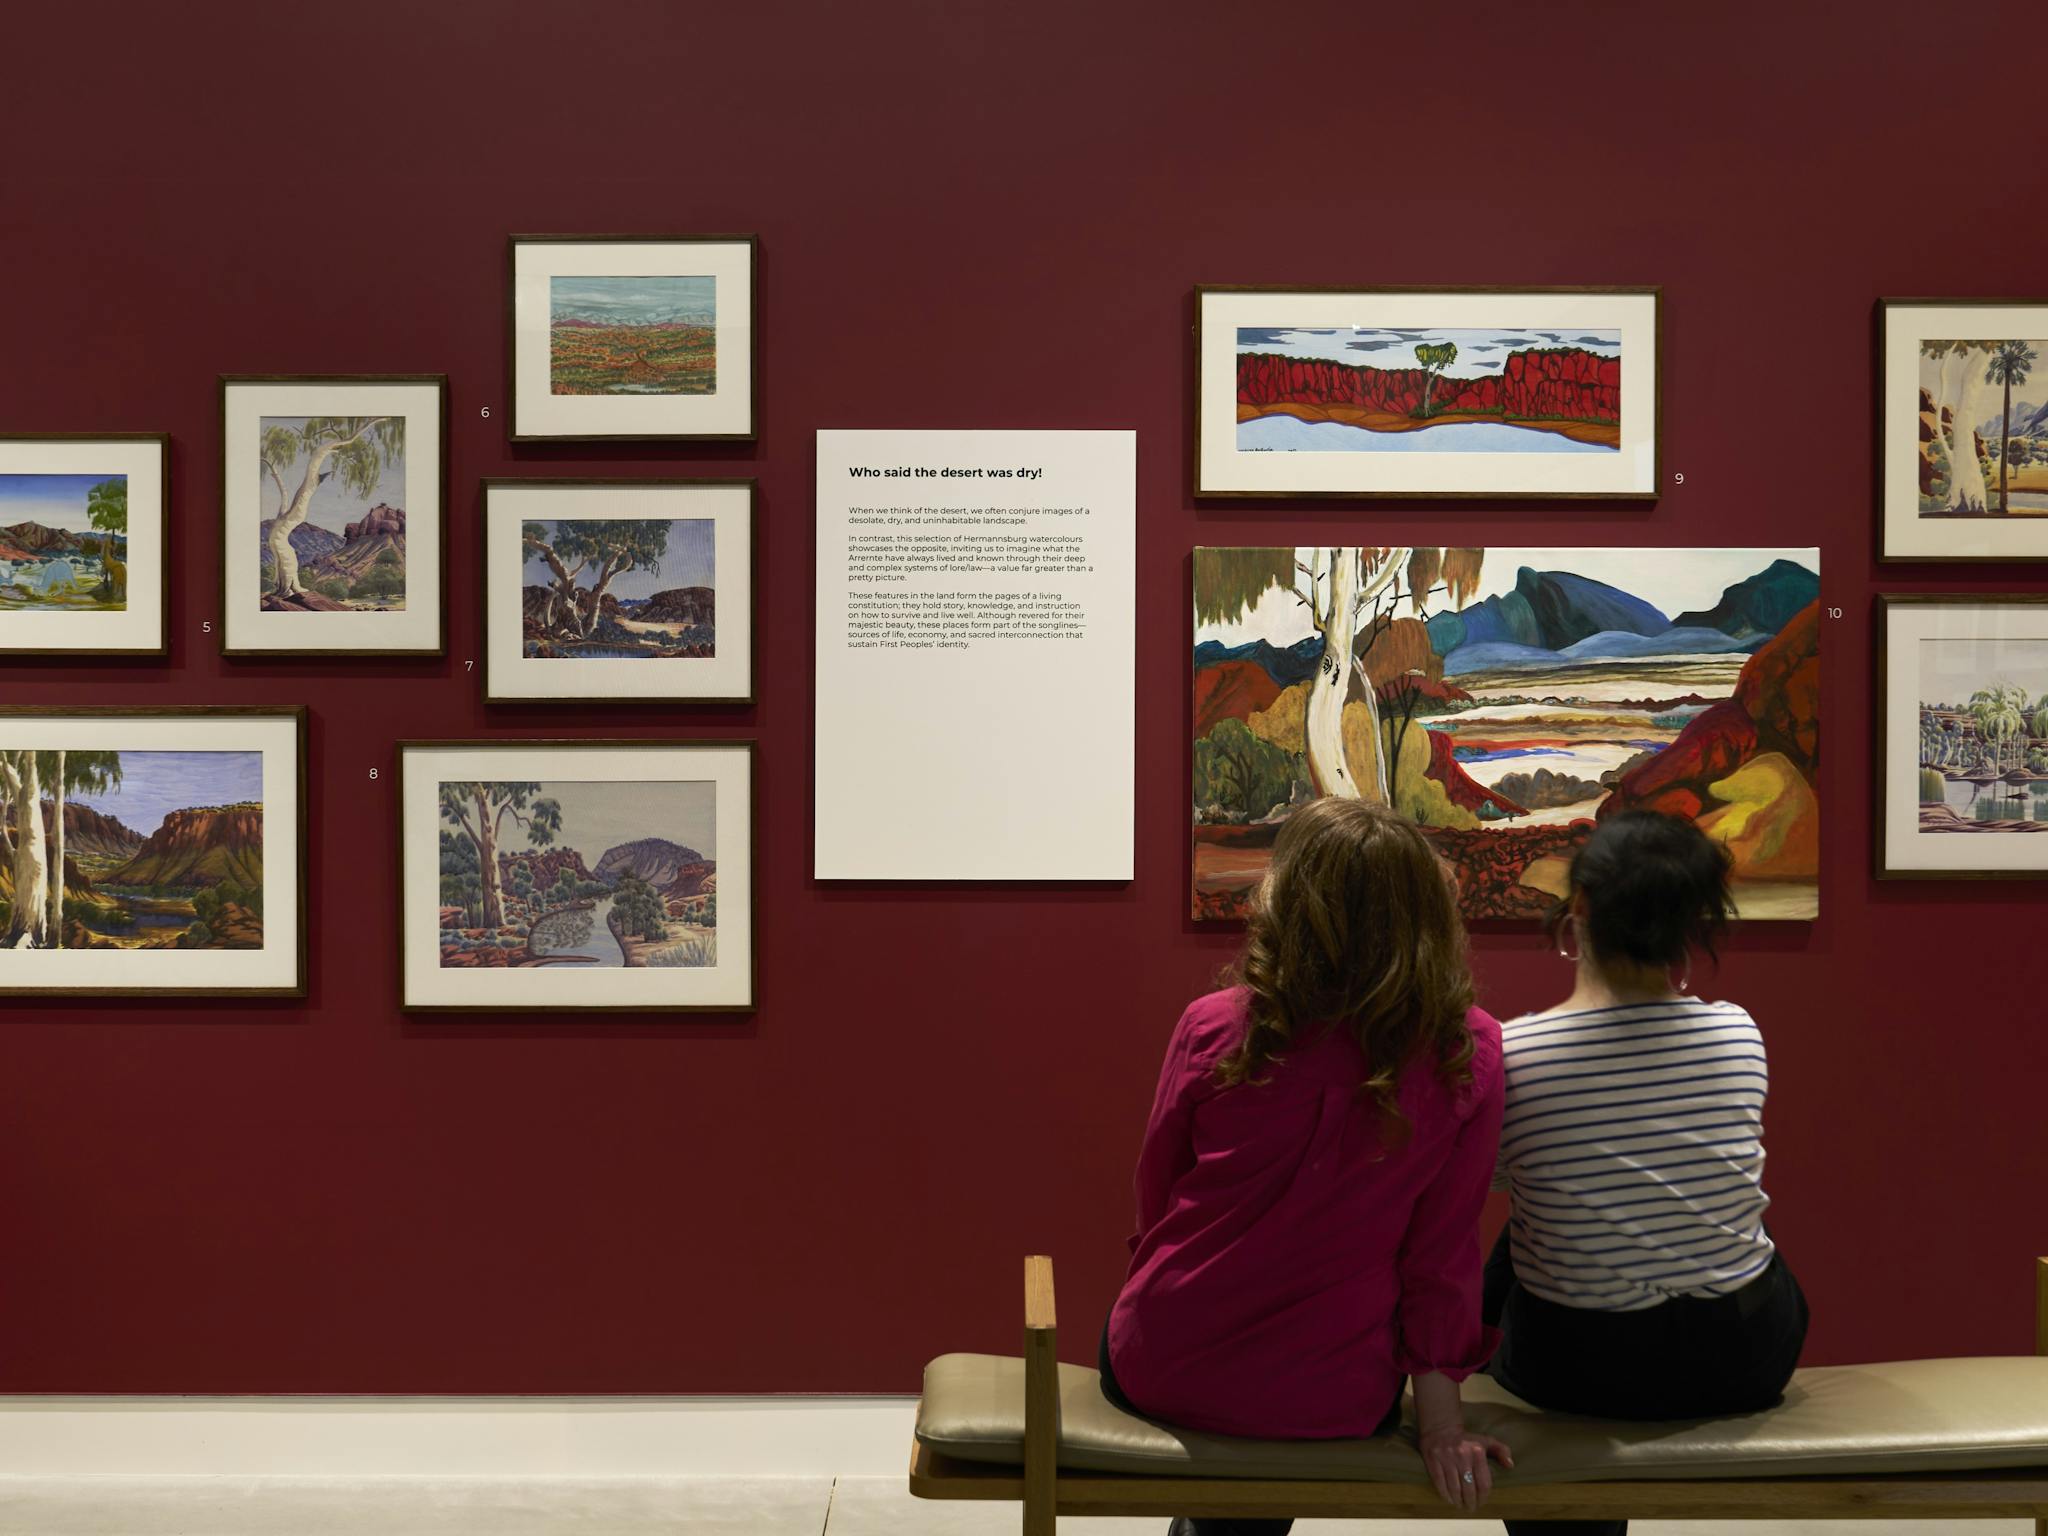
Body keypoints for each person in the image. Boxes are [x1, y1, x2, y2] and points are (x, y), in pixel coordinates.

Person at [1103, 798, 1513, 1534]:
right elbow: (1442, 1255)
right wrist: (1442, 1424)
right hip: (1337, 1391)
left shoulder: (1216, 1025)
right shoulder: (1467, 1051)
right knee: (1276, 1421)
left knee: (1235, 1470)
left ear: (1289, 898)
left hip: (1166, 1359)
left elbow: (1156, 1198)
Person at [1487, 810, 1810, 1536]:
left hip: (1577, 1369)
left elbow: (1498, 1182)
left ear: (1579, 910)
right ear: (1690, 924)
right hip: (1744, 1355)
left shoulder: (1514, 1054)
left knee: (1524, 1236)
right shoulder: (1737, 1032)